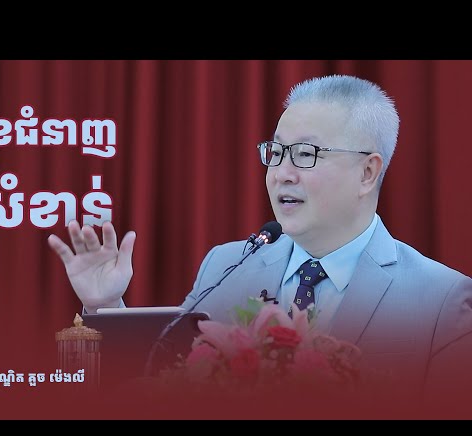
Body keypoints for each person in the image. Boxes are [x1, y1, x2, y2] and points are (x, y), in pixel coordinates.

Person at [48, 74, 472, 414]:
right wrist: (106, 306)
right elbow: (155, 384)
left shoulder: (442, 300)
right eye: (276, 152)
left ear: (367, 173)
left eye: (305, 154)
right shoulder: (226, 266)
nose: (282, 173)